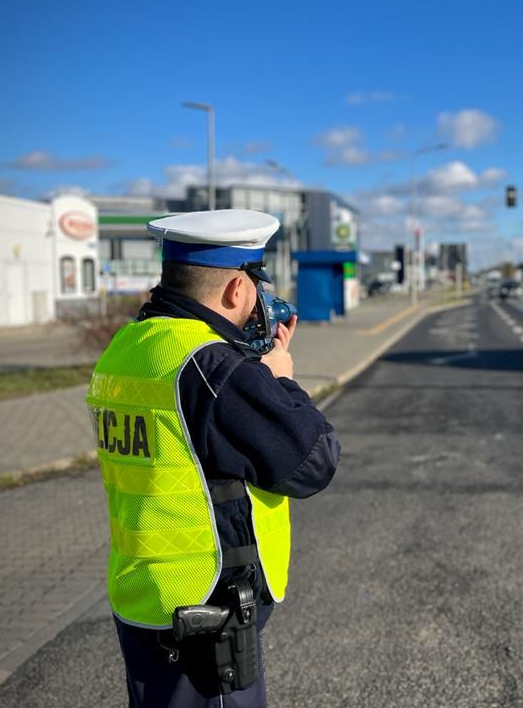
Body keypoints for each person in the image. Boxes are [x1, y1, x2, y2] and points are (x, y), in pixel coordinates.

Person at [86, 209, 340, 707]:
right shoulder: (212, 367)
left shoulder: (127, 348)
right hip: (209, 614)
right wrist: (280, 377)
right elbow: (313, 460)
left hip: (145, 595)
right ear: (235, 291)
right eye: (254, 284)